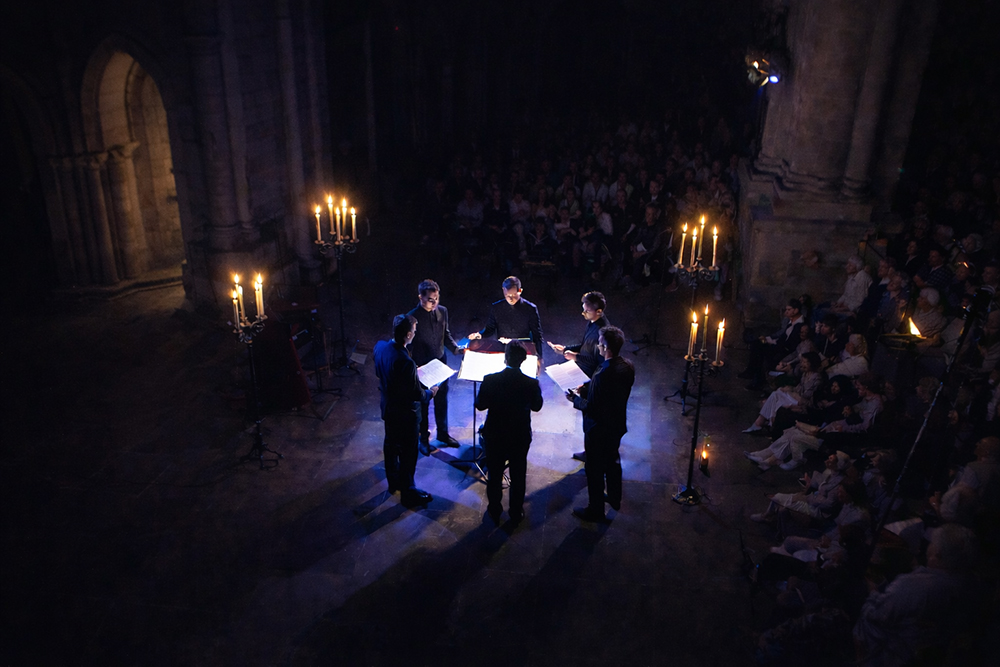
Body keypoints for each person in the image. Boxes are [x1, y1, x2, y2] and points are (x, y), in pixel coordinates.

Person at [568, 326, 635, 521]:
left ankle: (595, 509)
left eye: (599, 342)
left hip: (598, 429)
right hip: (616, 425)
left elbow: (593, 407)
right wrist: (589, 387)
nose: (598, 345)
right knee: (613, 462)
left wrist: (575, 399)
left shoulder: (603, 374)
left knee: (594, 469)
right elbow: (611, 392)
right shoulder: (627, 366)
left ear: (605, 347)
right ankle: (615, 498)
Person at [475, 341, 543, 525]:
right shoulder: (531, 383)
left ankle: (494, 509)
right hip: (519, 435)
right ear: (523, 360)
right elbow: (537, 406)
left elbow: (480, 404)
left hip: (496, 433)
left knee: (495, 474)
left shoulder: (490, 379)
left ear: (505, 358)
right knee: (518, 474)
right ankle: (515, 511)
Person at [374, 314, 439, 506]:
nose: (415, 335)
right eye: (414, 332)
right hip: (406, 416)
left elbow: (381, 372)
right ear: (409, 334)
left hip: (389, 409)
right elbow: (416, 395)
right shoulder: (406, 362)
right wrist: (431, 392)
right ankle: (408, 492)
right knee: (409, 454)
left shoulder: (380, 347)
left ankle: (393, 483)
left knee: (390, 446)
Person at [548, 291, 611, 462]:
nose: (584, 315)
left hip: (591, 378)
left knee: (590, 417)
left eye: (586, 311)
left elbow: (597, 359)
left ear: (599, 311)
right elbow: (585, 346)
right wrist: (567, 348)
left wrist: (575, 357)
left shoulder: (602, 331)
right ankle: (591, 449)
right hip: (585, 373)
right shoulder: (592, 323)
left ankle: (592, 453)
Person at [406, 279, 464, 454]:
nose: (434, 303)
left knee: (442, 400)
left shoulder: (442, 311)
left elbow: (445, 334)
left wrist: (456, 349)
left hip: (440, 363)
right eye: (430, 299)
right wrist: (413, 368)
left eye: (436, 298)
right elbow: (408, 346)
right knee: (423, 404)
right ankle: (423, 439)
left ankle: (443, 434)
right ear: (420, 297)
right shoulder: (412, 316)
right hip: (423, 367)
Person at [468, 275, 544, 352]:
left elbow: (537, 335)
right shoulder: (496, 307)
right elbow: (490, 329)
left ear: (520, 291)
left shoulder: (530, 308)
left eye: (514, 295)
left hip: (523, 349)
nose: (510, 299)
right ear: (503, 290)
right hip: (502, 349)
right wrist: (480, 335)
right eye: (507, 295)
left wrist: (539, 355)